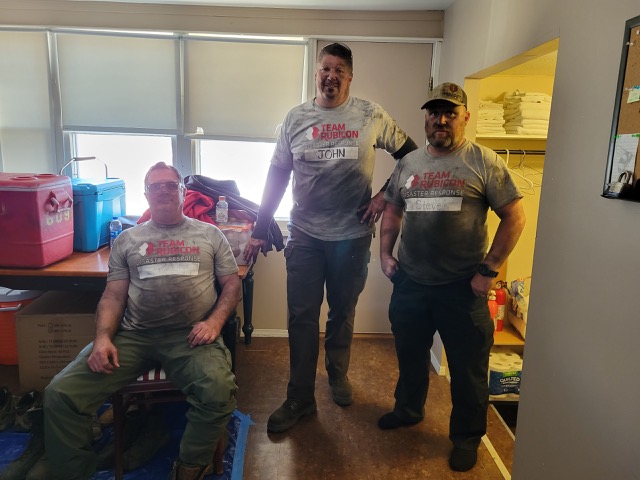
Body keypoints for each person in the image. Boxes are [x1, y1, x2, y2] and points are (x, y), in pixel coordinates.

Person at [243, 42, 418, 433]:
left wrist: (385, 195)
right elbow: (277, 176)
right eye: (326, 68)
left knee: (342, 312)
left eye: (340, 70)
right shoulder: (296, 119)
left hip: (351, 238)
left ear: (350, 77)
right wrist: (259, 228)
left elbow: (411, 156)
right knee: (301, 317)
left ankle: (337, 374)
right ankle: (300, 397)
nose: (331, 76)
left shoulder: (370, 115)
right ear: (317, 73)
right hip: (304, 235)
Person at [38, 162, 241, 480]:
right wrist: (103, 338)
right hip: (133, 336)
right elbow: (113, 296)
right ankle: (73, 471)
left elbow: (232, 285)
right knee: (60, 394)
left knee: (218, 390)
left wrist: (215, 323)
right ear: (146, 194)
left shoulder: (210, 234)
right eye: (155, 186)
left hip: (190, 336)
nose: (163, 191)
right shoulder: (127, 240)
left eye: (170, 185)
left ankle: (189, 467)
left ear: (183, 191)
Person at [378, 82, 526, 472]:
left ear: (465, 117)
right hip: (411, 284)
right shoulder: (409, 163)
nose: (440, 120)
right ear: (426, 118)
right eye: (434, 113)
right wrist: (385, 255)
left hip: (463, 289)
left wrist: (488, 271)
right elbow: (392, 210)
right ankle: (408, 410)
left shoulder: (484, 161)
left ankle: (466, 437)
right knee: (410, 357)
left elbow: (515, 217)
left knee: (468, 371)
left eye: (449, 113)